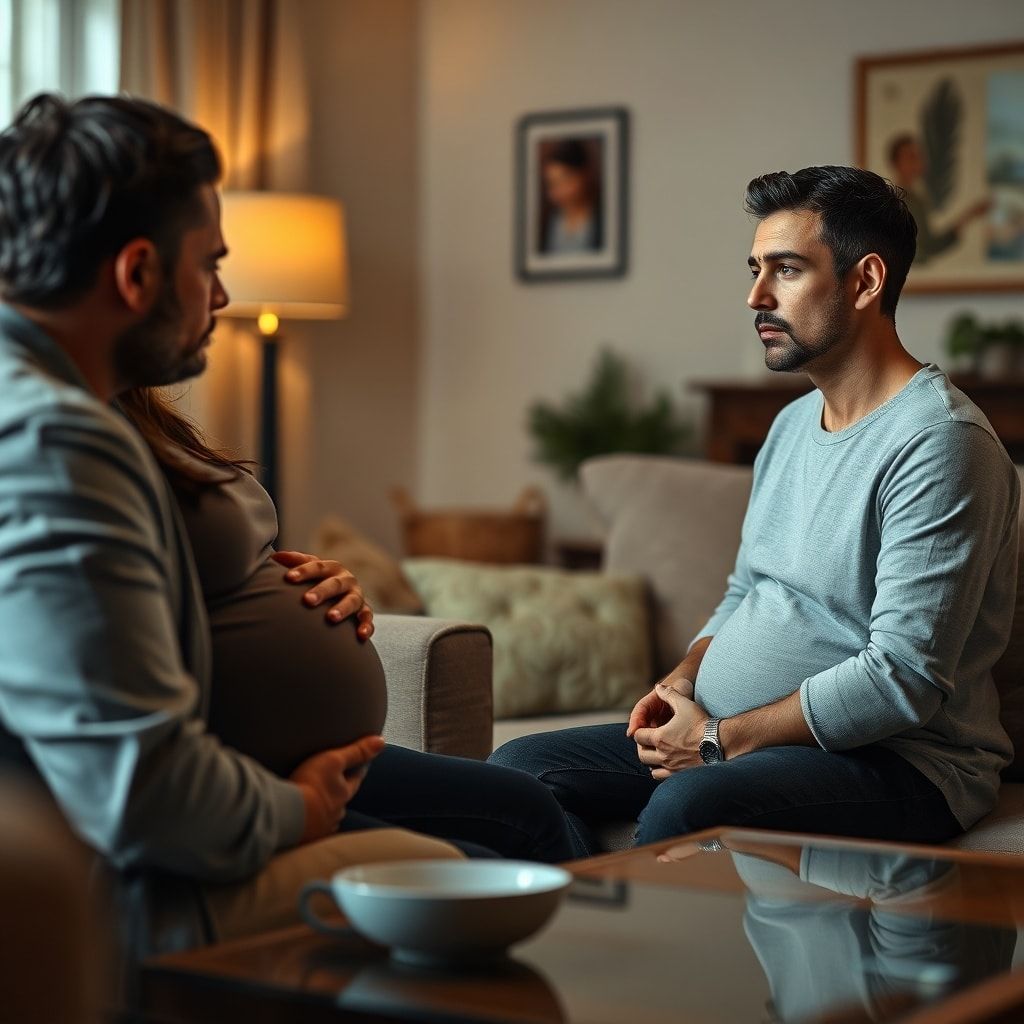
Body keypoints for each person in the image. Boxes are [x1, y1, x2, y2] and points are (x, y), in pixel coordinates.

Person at [0, 92, 570, 955]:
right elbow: (138, 793)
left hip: (158, 828)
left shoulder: (59, 403)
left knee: (501, 836)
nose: (222, 295)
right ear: (137, 274)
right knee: (470, 880)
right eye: (210, 264)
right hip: (118, 889)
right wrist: (296, 809)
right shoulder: (53, 439)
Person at [490, 165, 1020, 857]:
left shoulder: (941, 441)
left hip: (903, 765)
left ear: (865, 281)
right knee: (520, 774)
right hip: (737, 735)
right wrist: (681, 679)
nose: (755, 296)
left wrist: (714, 741)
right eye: (755, 269)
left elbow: (903, 679)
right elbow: (747, 590)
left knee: (688, 801)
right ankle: (597, 938)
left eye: (787, 270)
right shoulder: (792, 424)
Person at [887, 134, 989, 265]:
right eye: (911, 156)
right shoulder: (901, 200)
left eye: (918, 155)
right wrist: (969, 216)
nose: (917, 161)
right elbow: (927, 246)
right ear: (896, 163)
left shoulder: (915, 198)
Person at [540, 138, 602, 254]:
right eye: (552, 183)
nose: (559, 191)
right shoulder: (547, 221)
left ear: (585, 175)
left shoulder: (602, 218)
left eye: (565, 180)